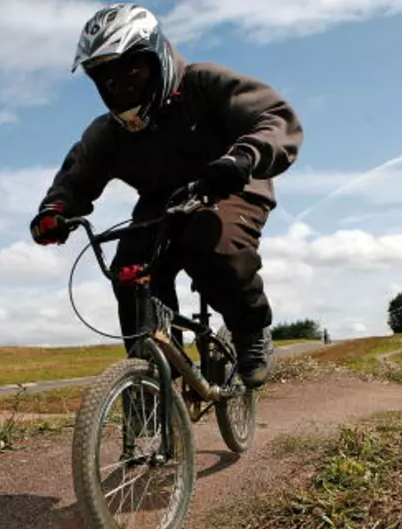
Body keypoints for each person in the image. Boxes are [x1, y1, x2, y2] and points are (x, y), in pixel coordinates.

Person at [29, 3, 303, 389]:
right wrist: (54, 212)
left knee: (212, 245)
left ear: (157, 57)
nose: (121, 85)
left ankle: (251, 330)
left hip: (230, 183)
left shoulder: (205, 84)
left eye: (132, 71)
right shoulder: (107, 132)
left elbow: (275, 117)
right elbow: (76, 178)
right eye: (107, 79)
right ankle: (153, 371)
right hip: (162, 204)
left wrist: (243, 157)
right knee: (129, 268)